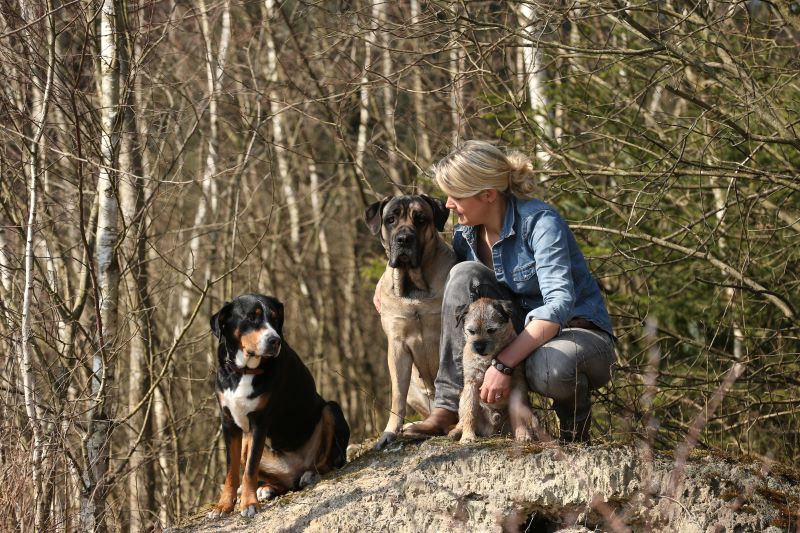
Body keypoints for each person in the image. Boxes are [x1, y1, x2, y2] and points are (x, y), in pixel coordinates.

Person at [375, 140, 616, 443]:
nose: (448, 204)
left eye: (456, 196)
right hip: (515, 337)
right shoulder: (467, 232)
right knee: (462, 274)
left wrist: (503, 363)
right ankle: (448, 408)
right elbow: (447, 279)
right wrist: (388, 280)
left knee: (553, 368)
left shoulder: (541, 223)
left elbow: (558, 307)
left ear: (487, 195)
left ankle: (574, 436)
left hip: (575, 335)